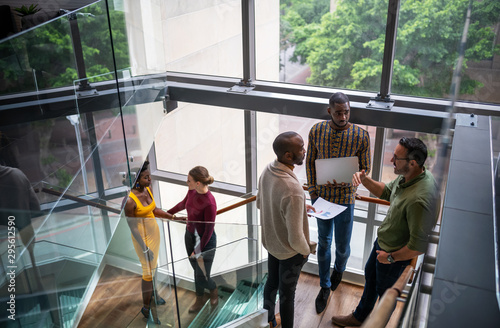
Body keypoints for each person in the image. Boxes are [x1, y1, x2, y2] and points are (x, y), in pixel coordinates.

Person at [331, 137, 440, 327]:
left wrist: (390, 258)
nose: (391, 160)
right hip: (383, 245)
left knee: (385, 295)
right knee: (370, 277)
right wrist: (364, 180)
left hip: (394, 257)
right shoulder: (410, 176)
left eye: (396, 157)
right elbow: (387, 191)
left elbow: (419, 245)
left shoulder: (420, 200)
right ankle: (360, 317)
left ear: (412, 163)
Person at [306, 92, 371, 313]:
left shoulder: (361, 135)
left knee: (342, 247)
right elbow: (310, 163)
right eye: (338, 113)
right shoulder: (316, 131)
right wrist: (313, 191)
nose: (343, 117)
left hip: (346, 198)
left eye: (346, 112)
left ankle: (340, 269)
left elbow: (365, 167)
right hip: (321, 197)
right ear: (329, 111)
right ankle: (324, 287)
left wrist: (358, 177)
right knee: (323, 243)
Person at [257, 131, 317, 328]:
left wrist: (299, 208)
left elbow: (260, 203)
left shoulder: (267, 170)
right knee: (287, 295)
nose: (304, 150)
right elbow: (295, 237)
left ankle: (269, 321)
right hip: (290, 251)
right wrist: (307, 251)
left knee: (272, 283)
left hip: (271, 242)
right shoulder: (293, 189)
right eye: (300, 148)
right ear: (288, 156)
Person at [124, 160, 178, 322]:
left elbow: (154, 210)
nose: (150, 180)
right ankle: (146, 307)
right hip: (142, 240)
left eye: (149, 177)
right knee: (147, 272)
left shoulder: (148, 190)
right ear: (136, 180)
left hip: (154, 235)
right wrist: (145, 248)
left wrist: (173, 216)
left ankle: (154, 295)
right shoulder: (130, 201)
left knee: (153, 267)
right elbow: (132, 228)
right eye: (146, 177)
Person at [168, 166, 218, 313]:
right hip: (189, 236)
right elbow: (183, 204)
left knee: (201, 275)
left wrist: (198, 250)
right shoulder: (192, 191)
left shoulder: (210, 203)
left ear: (197, 183)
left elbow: (209, 230)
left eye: (189, 180)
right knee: (197, 271)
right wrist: (167, 214)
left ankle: (212, 291)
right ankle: (201, 298)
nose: (186, 182)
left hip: (204, 241)